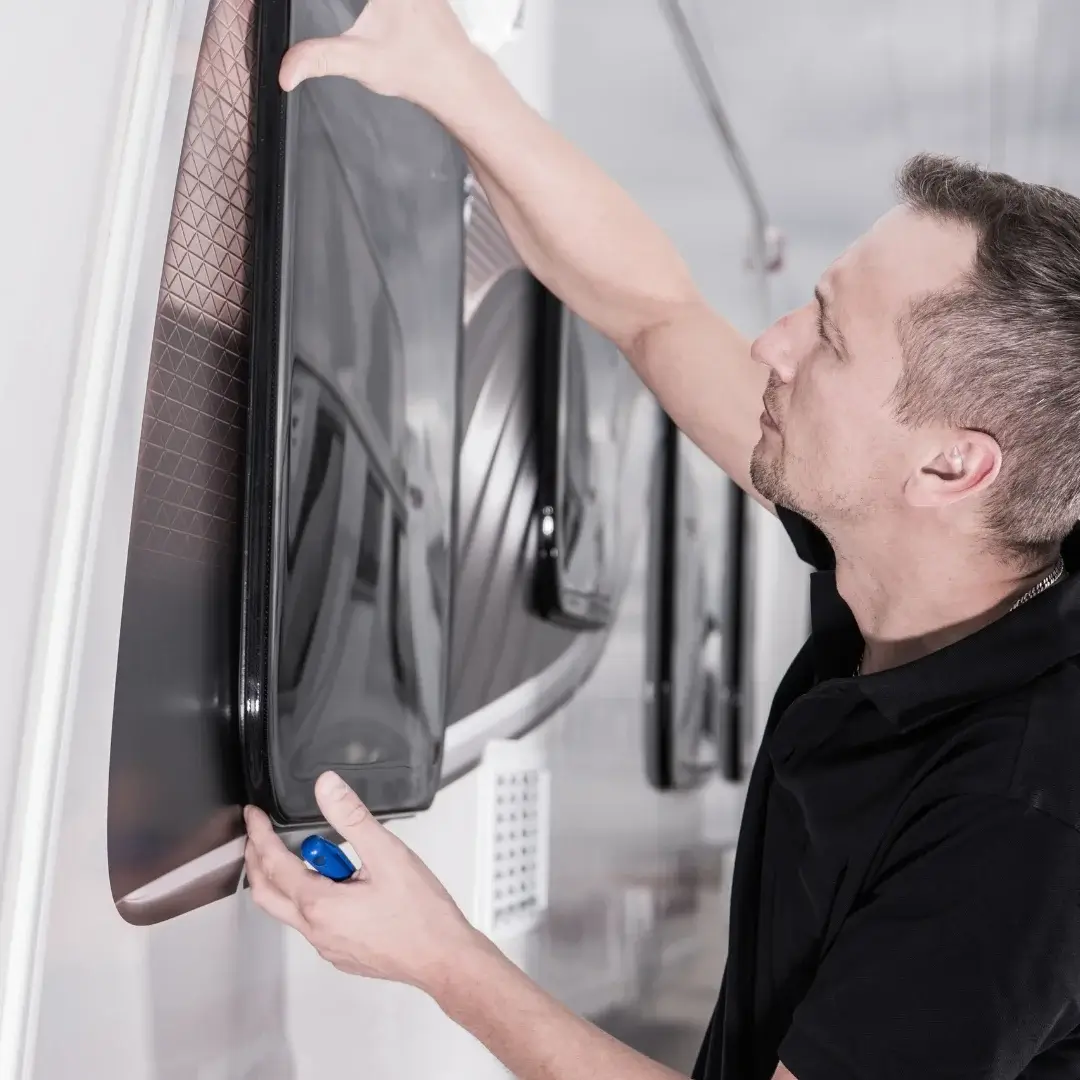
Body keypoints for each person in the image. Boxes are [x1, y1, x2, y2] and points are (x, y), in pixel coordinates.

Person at [243, 1, 1080, 1077]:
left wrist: (442, 956)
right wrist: (452, 78)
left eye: (826, 339)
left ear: (950, 467)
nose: (773, 345)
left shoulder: (1024, 821)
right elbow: (653, 311)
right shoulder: (922, 553)